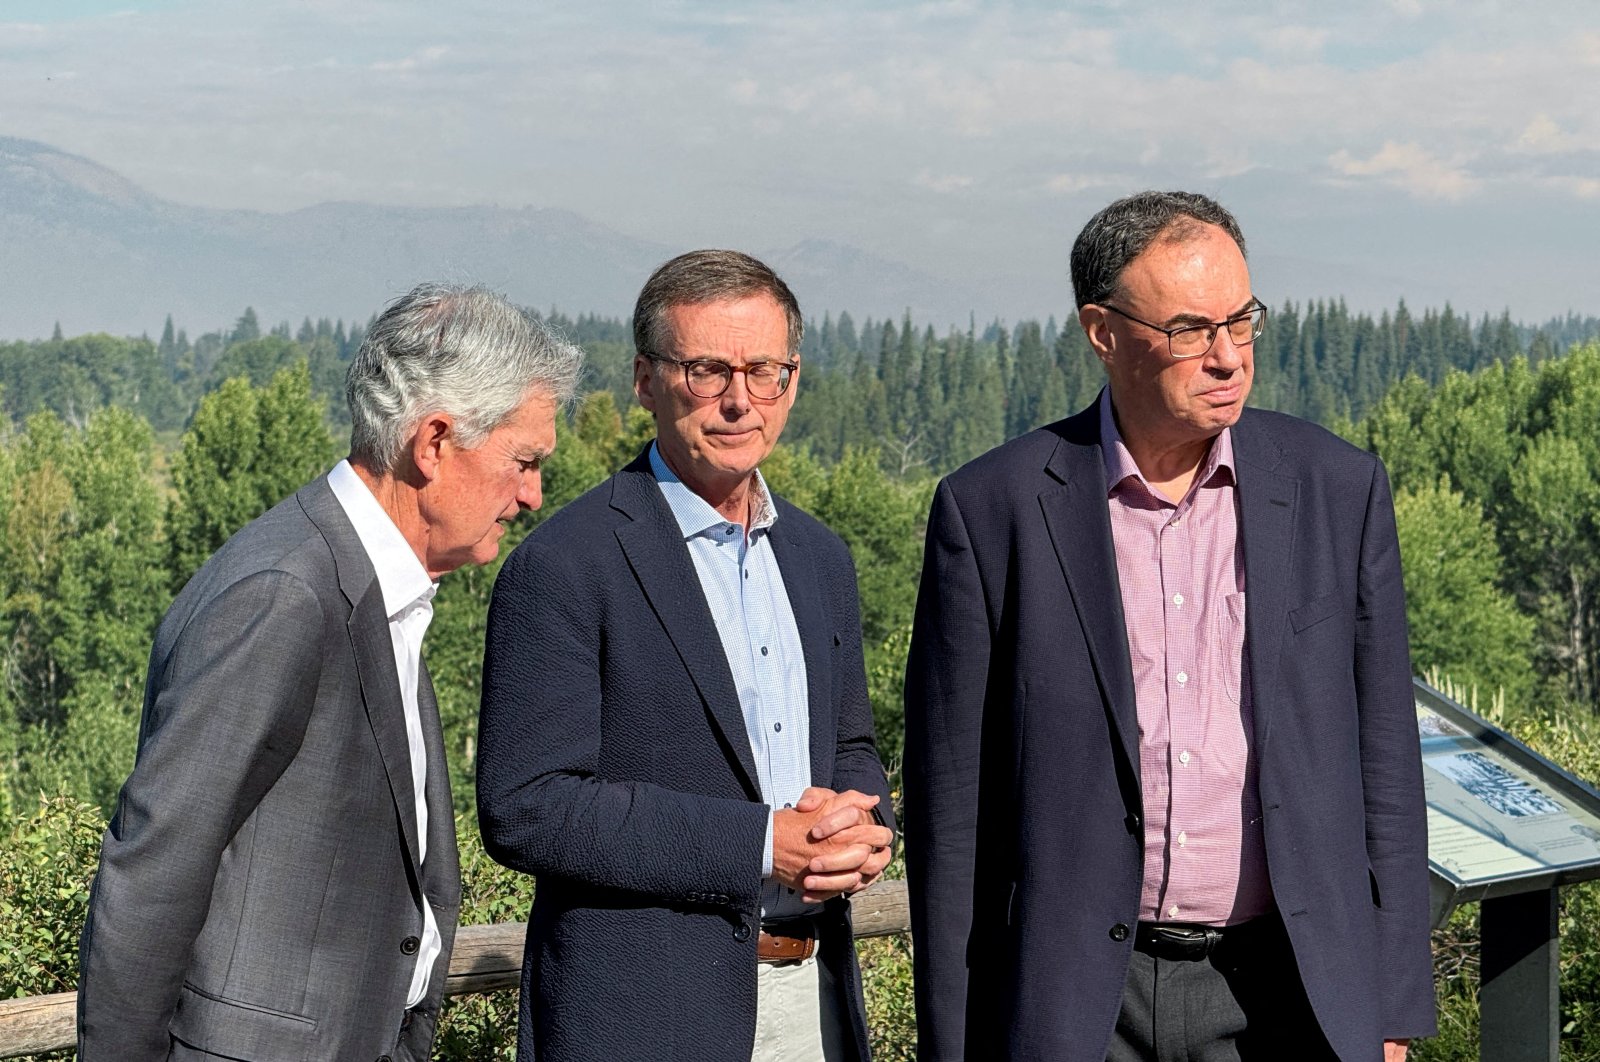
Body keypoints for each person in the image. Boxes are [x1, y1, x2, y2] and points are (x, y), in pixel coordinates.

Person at [903, 191, 1435, 1062]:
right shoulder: (990, 509)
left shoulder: (1336, 489)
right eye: (1190, 329)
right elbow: (953, 807)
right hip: (1077, 1003)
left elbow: (1384, 763)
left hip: (1290, 991)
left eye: (1242, 321)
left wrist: (1390, 1011)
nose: (1227, 356)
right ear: (1102, 332)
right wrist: (955, 1040)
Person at [77, 283, 583, 1061]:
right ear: (434, 442)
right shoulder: (285, 593)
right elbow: (153, 872)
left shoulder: (378, 588)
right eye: (523, 461)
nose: (532, 494)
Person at [478, 249, 895, 1062]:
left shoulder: (819, 558)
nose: (740, 400)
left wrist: (868, 822)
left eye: (765, 371)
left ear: (794, 379)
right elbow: (527, 806)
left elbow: (850, 747)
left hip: (814, 1003)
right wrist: (757, 843)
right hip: (646, 1019)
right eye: (707, 370)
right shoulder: (566, 563)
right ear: (645, 379)